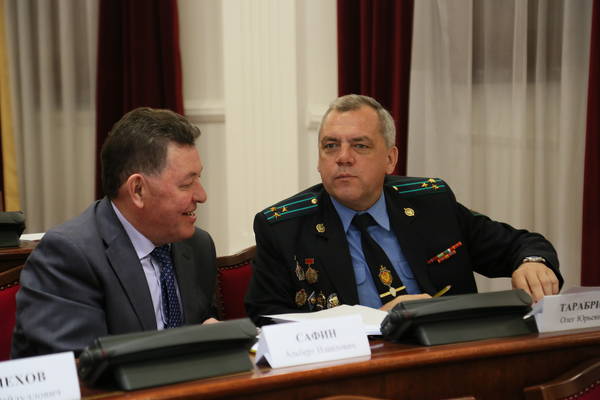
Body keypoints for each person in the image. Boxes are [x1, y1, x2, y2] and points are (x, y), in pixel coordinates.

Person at [245, 94, 562, 325]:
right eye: (330, 146)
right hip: (352, 375)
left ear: (390, 159)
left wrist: (532, 262)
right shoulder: (284, 228)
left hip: (449, 360)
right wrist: (372, 321)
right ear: (319, 159)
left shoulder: (431, 203)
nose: (343, 157)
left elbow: (520, 244)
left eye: (359, 145)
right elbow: (268, 323)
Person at [12, 107, 218, 358]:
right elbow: (81, 367)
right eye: (186, 184)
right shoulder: (68, 257)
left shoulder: (197, 246)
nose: (202, 195)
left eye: (199, 179)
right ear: (138, 190)